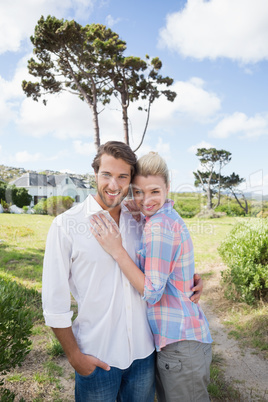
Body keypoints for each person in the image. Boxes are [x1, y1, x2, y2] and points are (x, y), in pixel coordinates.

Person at [42, 142, 203, 402]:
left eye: (122, 177)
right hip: (97, 357)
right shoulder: (66, 225)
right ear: (95, 173)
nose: (113, 185)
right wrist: (75, 357)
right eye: (106, 174)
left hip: (144, 355)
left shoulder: (142, 220)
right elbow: (54, 302)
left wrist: (189, 281)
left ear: (130, 180)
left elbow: (165, 263)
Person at [90, 151, 212, 402]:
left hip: (180, 344)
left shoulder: (159, 225)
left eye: (154, 191)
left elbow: (153, 292)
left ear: (168, 187)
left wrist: (117, 250)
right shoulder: (162, 216)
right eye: (138, 192)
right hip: (182, 341)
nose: (146, 200)